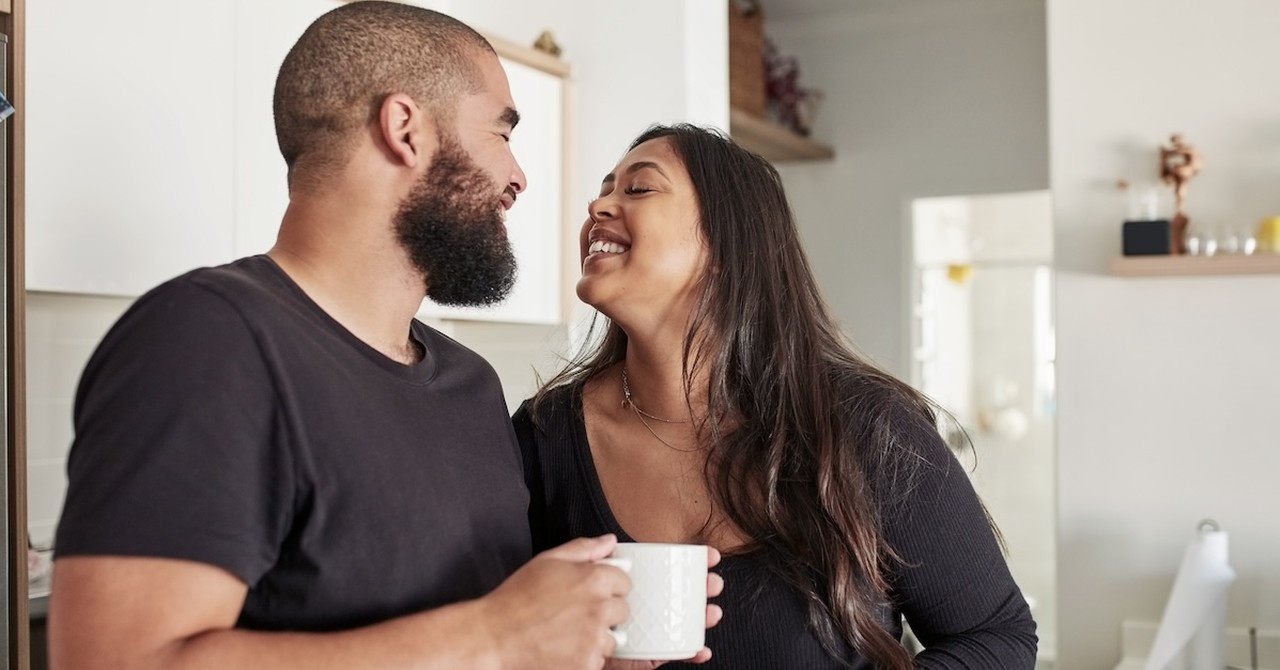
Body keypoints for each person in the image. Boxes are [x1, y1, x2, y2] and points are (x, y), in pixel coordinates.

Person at [48, 4, 724, 669]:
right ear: (406, 129)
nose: (519, 178)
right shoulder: (205, 343)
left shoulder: (470, 385)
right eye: (501, 132)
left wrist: (563, 648)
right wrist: (496, 637)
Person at [513, 124, 1039, 668]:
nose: (599, 205)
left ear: (725, 243)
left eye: (638, 189)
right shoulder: (545, 436)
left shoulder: (864, 427)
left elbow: (996, 638)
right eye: (603, 189)